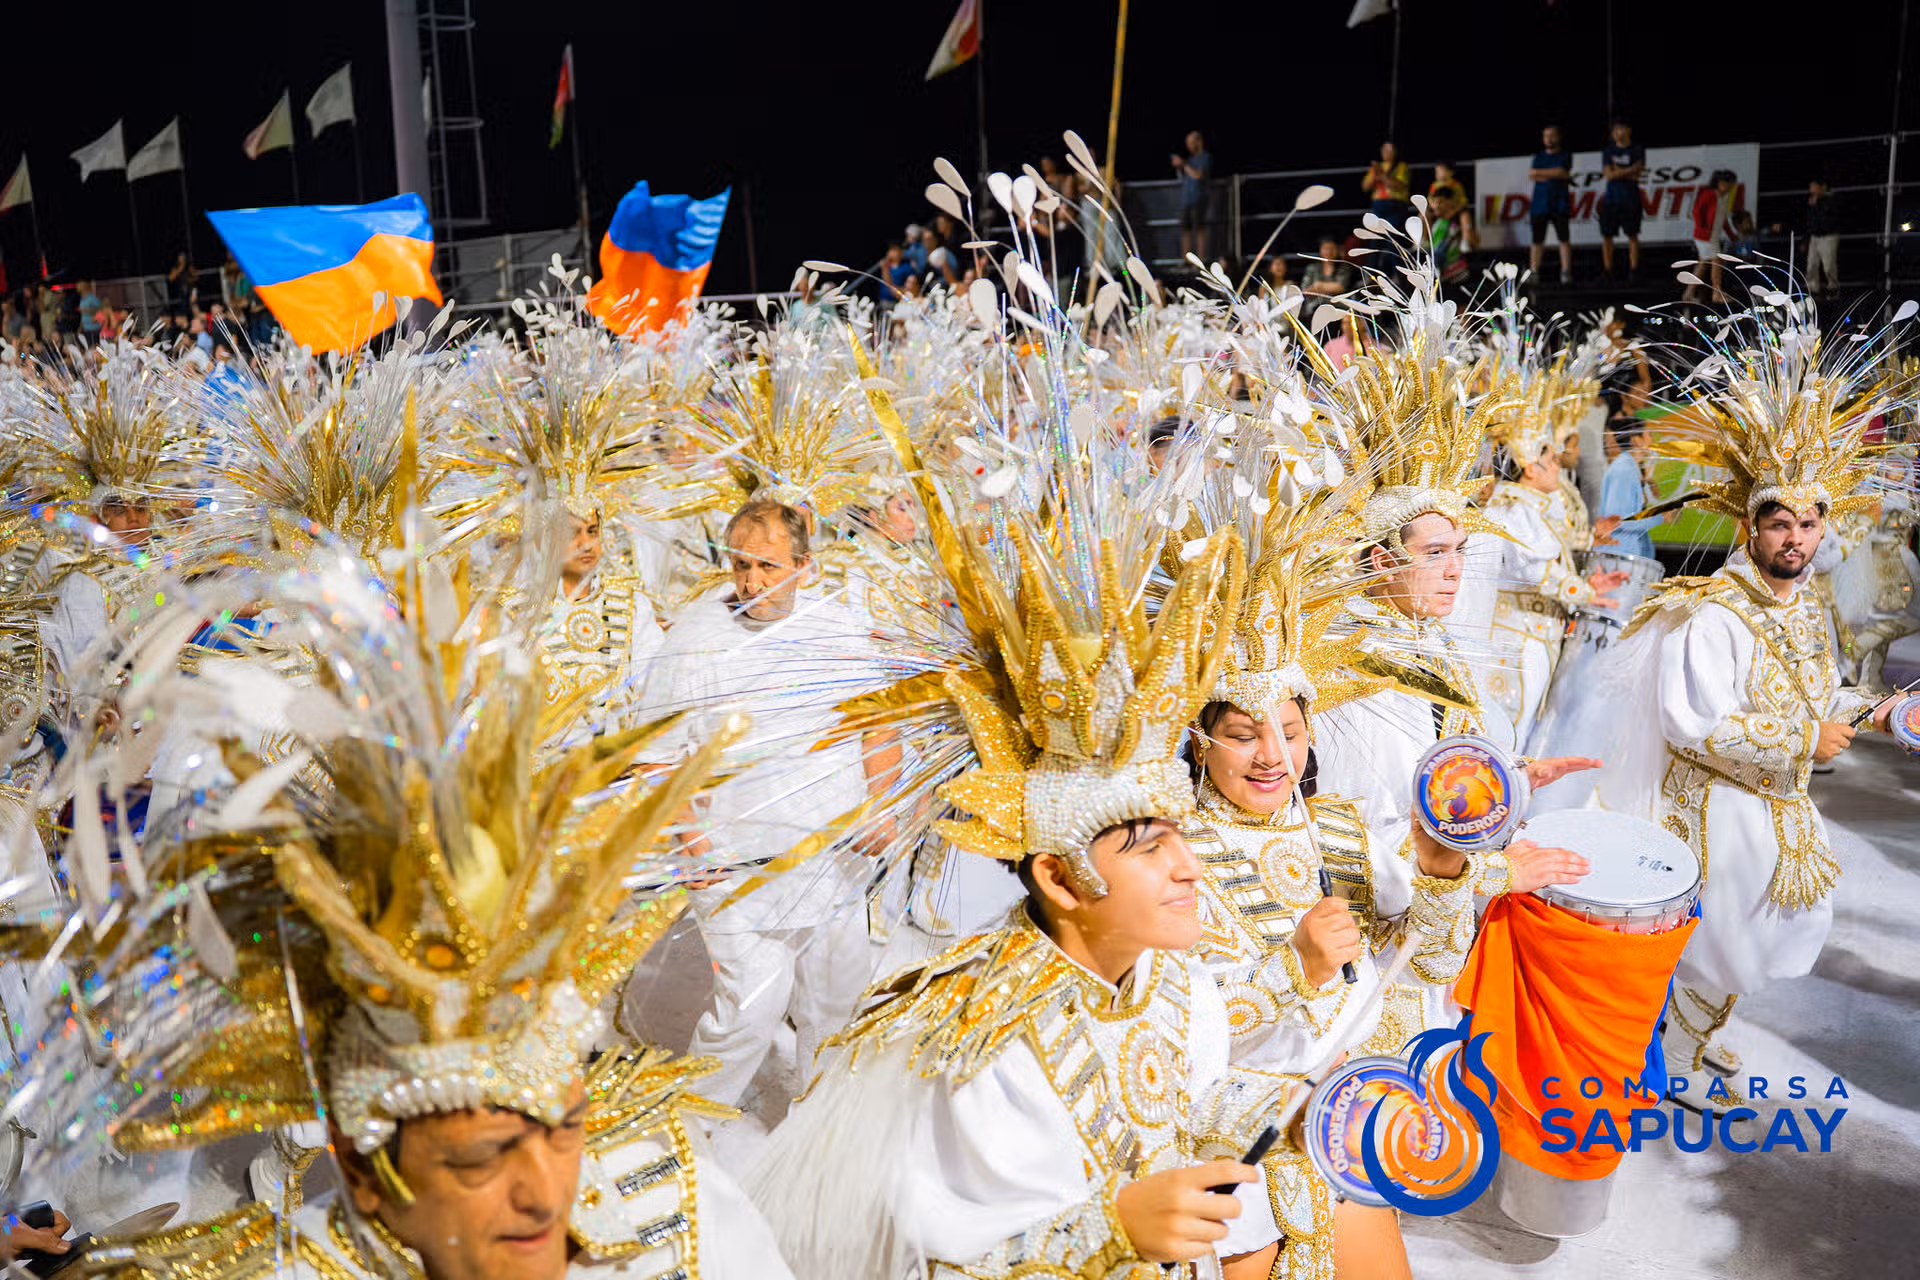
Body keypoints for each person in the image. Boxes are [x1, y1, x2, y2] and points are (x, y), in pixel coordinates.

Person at [44, 530, 792, 1280]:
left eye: (563, 1128)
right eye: (478, 1161)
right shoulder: (273, 711)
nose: (539, 1195)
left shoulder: (686, 1226)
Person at [747, 517, 1301, 1280]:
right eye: (1148, 847)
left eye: (1179, 836)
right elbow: (935, 1259)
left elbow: (1188, 1125)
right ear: (1058, 877)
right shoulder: (980, 1050)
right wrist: (1109, 1232)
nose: (1190, 868)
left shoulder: (1178, 985)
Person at [1595, 348, 1905, 1110]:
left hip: (1775, 798)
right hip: (1712, 805)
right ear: (1749, 527)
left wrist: (1878, 710)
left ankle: (1691, 1036)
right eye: (1779, 525)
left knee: (1776, 927)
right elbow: (1692, 721)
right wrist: (1804, 741)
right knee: (1732, 936)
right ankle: (1676, 1057)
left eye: (1807, 524)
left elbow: (1819, 690)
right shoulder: (1714, 612)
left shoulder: (1801, 605)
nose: (1794, 539)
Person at [645, 499, 896, 1110]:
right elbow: (656, 759)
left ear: (805, 566)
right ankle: (691, 1132)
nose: (752, 581)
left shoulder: (841, 630)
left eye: (768, 565)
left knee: (833, 1005)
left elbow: (878, 726)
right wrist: (692, 842)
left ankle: (815, 1123)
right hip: (731, 862)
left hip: (832, 857)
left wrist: (881, 808)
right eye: (740, 565)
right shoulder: (692, 644)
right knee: (752, 1008)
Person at [1482, 416, 1632, 744]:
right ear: (1530, 468)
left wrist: (1587, 582)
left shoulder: (1528, 510)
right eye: (1550, 460)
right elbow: (1535, 571)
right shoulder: (1511, 511)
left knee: (1522, 730)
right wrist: (1585, 592)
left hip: (1535, 637)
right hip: (1516, 641)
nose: (1557, 468)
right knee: (1506, 732)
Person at [1597, 410, 1665, 561]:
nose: (1651, 440)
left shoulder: (1633, 468)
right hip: (1616, 556)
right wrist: (1661, 517)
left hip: (1627, 554)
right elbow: (1619, 521)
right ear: (1636, 440)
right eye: (1648, 435)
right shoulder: (1624, 470)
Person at [1598, 121, 1646, 280]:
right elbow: (1609, 175)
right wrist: (1628, 171)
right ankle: (1607, 269)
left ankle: (1634, 269)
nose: (1619, 133)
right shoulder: (1608, 151)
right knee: (1607, 235)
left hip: (1631, 198)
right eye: (1615, 130)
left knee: (1632, 234)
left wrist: (1618, 170)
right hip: (1611, 199)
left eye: (1621, 129)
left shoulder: (1637, 150)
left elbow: (1638, 172)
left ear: (1628, 130)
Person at [1685, 169, 1741, 303]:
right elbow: (1697, 211)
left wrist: (1731, 235)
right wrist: (1703, 228)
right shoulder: (1709, 194)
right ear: (1721, 183)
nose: (1731, 187)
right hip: (1705, 236)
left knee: (1703, 264)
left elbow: (1723, 219)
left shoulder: (1722, 198)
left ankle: (1688, 293)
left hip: (1712, 236)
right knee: (1717, 261)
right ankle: (1716, 292)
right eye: (1730, 184)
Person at [1527, 125, 1574, 284]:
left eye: (1552, 135)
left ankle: (1566, 271)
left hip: (1559, 204)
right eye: (1546, 136)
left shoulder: (1564, 155)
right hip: (1540, 205)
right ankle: (1534, 271)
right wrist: (1553, 173)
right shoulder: (1539, 156)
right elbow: (1532, 175)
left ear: (1558, 137)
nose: (1549, 139)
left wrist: (1542, 173)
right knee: (1537, 240)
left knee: (1564, 239)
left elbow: (1562, 172)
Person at [1173, 130, 1214, 262]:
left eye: (1190, 143)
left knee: (1199, 230)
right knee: (1185, 230)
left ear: (1198, 142)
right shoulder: (1190, 159)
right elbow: (1183, 178)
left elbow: (1198, 175)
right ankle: (1186, 261)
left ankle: (1200, 260)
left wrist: (1184, 164)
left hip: (1199, 198)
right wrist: (1179, 167)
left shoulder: (1205, 157)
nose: (1188, 146)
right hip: (1187, 199)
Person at [1804, 179, 1840, 294]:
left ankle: (1833, 287)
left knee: (1828, 265)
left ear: (1822, 187)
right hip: (1815, 236)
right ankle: (1813, 290)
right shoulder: (1812, 202)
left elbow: (1830, 216)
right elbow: (1809, 221)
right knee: (1811, 265)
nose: (1812, 189)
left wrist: (1817, 204)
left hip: (1828, 236)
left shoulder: (1831, 199)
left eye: (1814, 186)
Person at [1362, 141, 1411, 222]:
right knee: (1377, 230)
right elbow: (1365, 187)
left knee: (1392, 231)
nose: (1386, 152)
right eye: (1384, 150)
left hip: (1395, 204)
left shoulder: (1401, 166)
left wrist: (1382, 175)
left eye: (1389, 150)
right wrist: (1374, 176)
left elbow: (1399, 186)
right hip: (1378, 204)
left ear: (1395, 152)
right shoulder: (1376, 167)